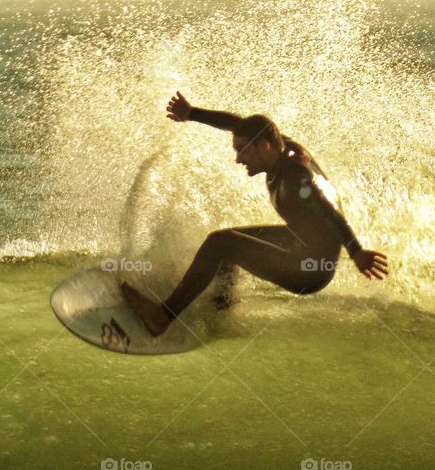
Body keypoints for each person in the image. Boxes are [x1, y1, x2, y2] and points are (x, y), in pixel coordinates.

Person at [121, 91, 389, 336]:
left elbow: (327, 209)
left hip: (309, 270)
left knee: (220, 244)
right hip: (300, 242)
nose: (238, 159)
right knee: (228, 241)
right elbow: (238, 123)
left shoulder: (295, 176)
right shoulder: (280, 144)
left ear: (264, 147)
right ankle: (221, 306)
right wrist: (192, 113)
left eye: (242, 150)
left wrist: (356, 252)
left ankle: (162, 317)